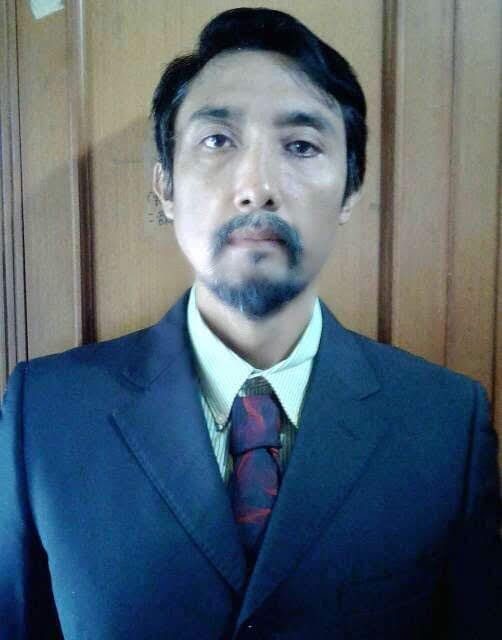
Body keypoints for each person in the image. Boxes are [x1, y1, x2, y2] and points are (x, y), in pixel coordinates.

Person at [1, 7, 500, 639]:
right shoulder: (46, 415)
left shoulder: (445, 423)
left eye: (301, 145)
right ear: (165, 186)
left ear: (350, 190)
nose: (257, 187)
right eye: (217, 140)